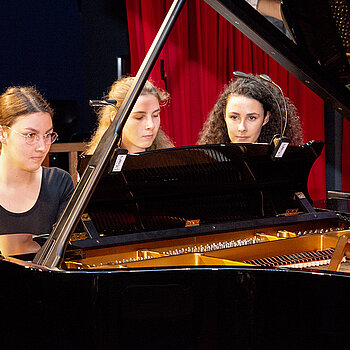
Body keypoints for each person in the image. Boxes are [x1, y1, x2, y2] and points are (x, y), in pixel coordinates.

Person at [0, 86, 74, 256]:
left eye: (48, 135)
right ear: (3, 133)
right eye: (30, 135)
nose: (42, 147)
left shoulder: (59, 183)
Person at [198, 73, 303, 145]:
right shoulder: (206, 161)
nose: (242, 128)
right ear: (224, 116)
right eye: (234, 117)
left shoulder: (283, 165)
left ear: (265, 118)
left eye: (252, 118)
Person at [86, 76, 174, 155]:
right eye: (139, 117)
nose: (151, 125)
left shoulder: (171, 162)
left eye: (155, 115)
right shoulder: (95, 169)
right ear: (115, 117)